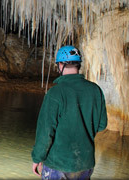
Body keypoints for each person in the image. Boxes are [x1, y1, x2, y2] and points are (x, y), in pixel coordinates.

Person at [31, 45, 108, 179]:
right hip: (85, 163)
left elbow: (46, 131)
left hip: (59, 163)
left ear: (60, 65)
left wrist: (37, 157)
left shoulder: (56, 93)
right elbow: (102, 124)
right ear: (78, 65)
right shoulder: (96, 90)